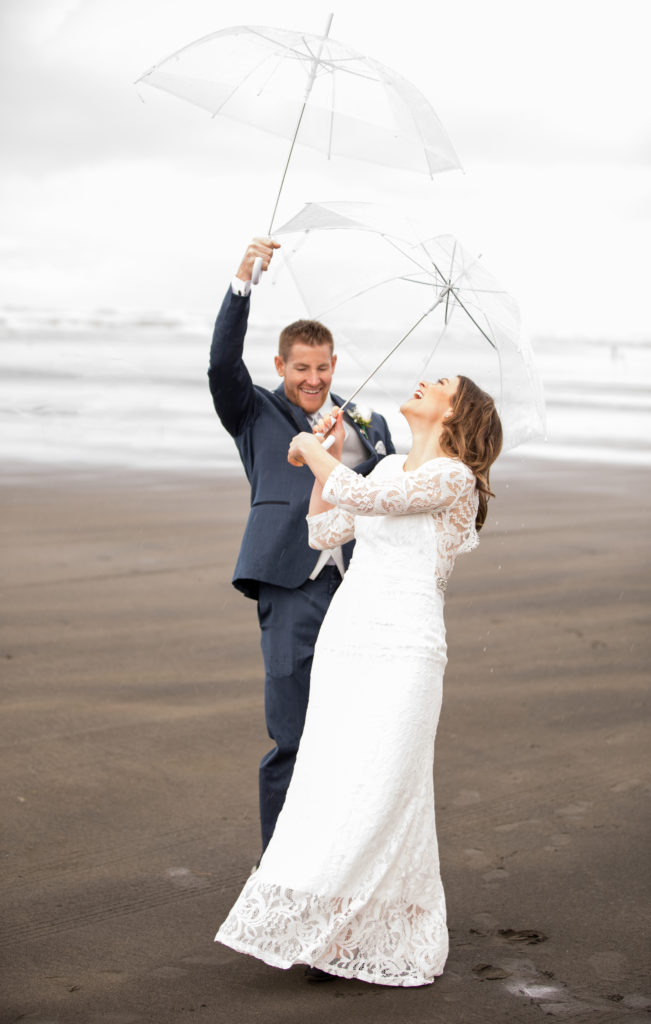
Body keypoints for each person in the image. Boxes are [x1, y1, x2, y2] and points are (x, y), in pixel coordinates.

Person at [215, 373, 504, 987]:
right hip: (349, 640)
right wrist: (325, 455)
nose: (425, 381)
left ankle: (364, 925)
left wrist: (317, 449)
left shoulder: (452, 477)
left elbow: (373, 502)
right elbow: (326, 529)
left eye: (441, 383)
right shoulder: (391, 464)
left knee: (384, 782)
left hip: (405, 647)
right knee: (337, 774)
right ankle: (334, 928)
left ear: (456, 412)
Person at [208, 237, 395, 852]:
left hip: (357, 589)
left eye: (322, 368)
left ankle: (334, 860)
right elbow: (220, 366)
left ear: (335, 365)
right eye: (300, 368)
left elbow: (390, 493)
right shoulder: (254, 412)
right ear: (282, 366)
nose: (312, 379)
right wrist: (242, 282)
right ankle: (280, 870)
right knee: (292, 732)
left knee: (347, 731)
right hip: (289, 584)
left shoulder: (366, 423)